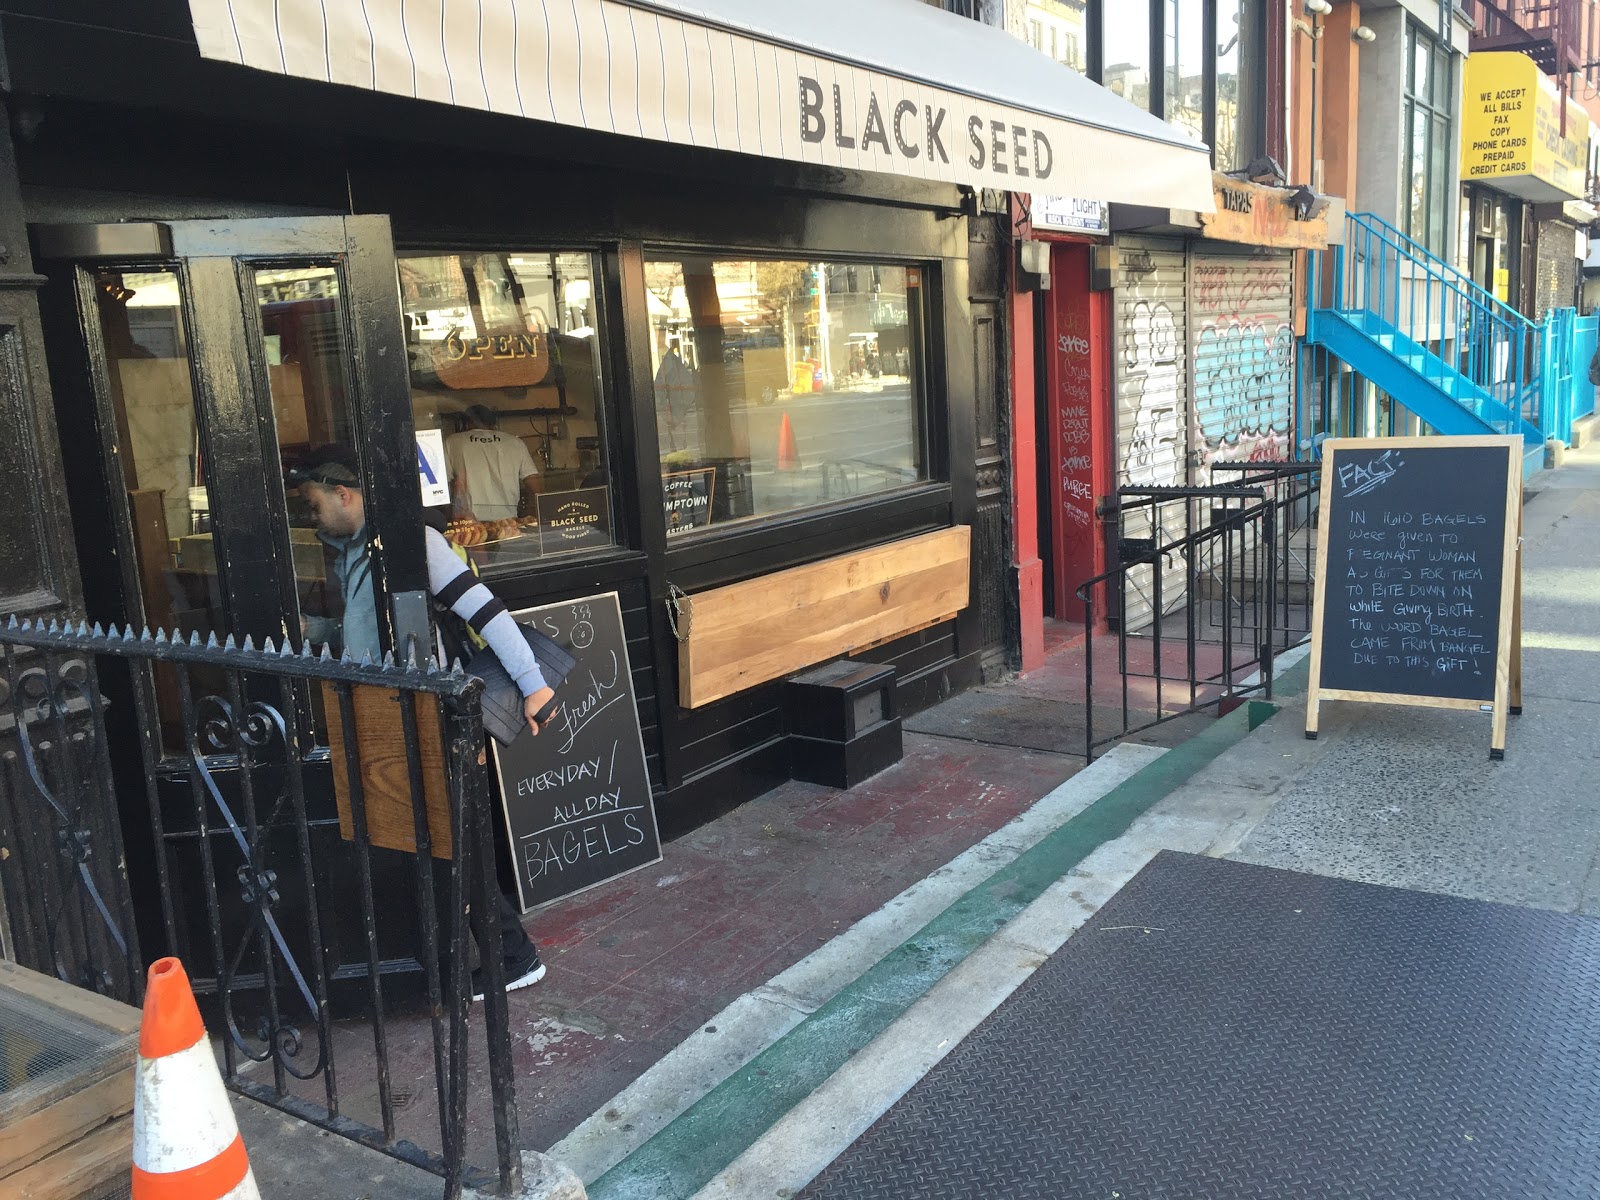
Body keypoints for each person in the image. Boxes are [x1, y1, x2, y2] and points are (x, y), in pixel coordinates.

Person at [291, 445, 552, 998]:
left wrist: (535, 687)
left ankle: (513, 955)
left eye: (314, 503)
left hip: (433, 718)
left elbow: (486, 610)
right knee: (439, 838)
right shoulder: (353, 553)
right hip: (386, 717)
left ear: (345, 495)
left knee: (457, 839)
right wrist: (314, 633)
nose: (309, 514)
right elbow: (366, 634)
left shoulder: (414, 545)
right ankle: (464, 954)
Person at [444, 404, 541, 521]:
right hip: (508, 522)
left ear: (466, 423)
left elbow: (443, 488)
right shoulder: (515, 442)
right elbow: (534, 484)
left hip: (470, 524)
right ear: (493, 423)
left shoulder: (453, 442)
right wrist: (530, 517)